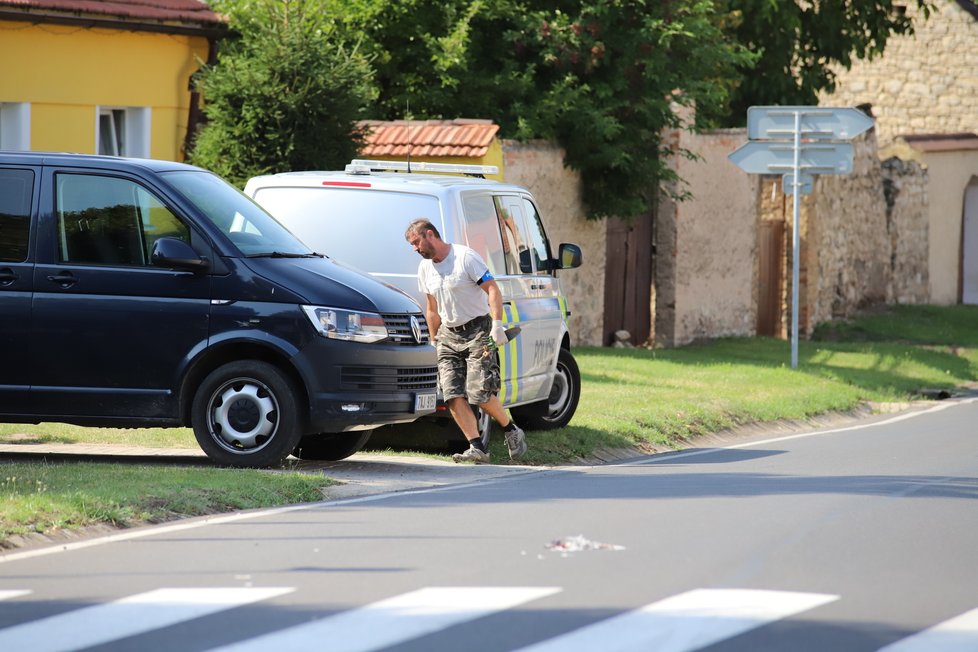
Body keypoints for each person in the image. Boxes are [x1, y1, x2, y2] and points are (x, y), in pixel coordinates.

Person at [405, 217, 527, 463]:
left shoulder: (465, 258)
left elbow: (492, 289)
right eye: (412, 245)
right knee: (451, 394)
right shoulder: (425, 268)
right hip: (448, 335)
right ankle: (477, 447)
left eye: (416, 242)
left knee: (479, 392)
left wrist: (497, 326)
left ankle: (511, 430)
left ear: (430, 235)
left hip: (478, 330)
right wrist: (433, 339)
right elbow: (432, 307)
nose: (415, 249)